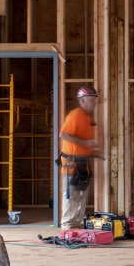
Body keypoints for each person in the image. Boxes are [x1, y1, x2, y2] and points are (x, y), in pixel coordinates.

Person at [58, 85, 105, 229]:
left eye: (95, 100)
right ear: (82, 101)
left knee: (80, 198)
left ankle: (76, 227)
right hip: (72, 166)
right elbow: (63, 134)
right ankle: (67, 227)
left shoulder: (87, 118)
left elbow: (80, 145)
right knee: (72, 198)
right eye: (91, 100)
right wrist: (85, 143)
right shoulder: (76, 115)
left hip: (82, 165)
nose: (94, 103)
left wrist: (94, 153)